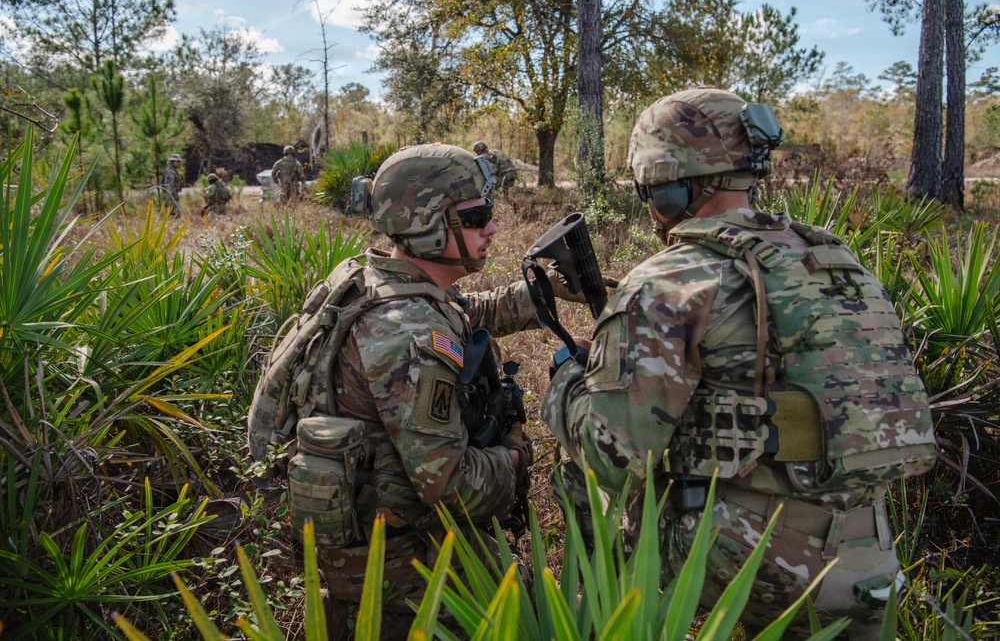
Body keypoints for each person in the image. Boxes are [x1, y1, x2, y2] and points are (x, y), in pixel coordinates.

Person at [542, 87, 937, 639]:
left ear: (667, 188)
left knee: (594, 489)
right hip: (870, 557)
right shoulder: (832, 257)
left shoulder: (671, 279)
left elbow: (610, 456)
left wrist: (565, 381)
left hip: (761, 564)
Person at [247, 143, 539, 638]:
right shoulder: (408, 335)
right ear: (427, 225)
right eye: (476, 217)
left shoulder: (378, 278)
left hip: (369, 534)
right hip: (396, 567)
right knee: (530, 603)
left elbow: (462, 312)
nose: (492, 228)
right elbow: (454, 488)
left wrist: (539, 296)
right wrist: (515, 456)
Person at [472, 141, 518, 209]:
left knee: (489, 189)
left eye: (477, 151)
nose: (477, 154)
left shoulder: (485, 155)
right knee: (505, 194)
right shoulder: (494, 152)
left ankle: (491, 208)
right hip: (511, 175)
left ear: (481, 150)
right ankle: (516, 207)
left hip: (505, 175)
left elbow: (494, 169)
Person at [163, 153, 183, 218]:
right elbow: (168, 186)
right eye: (176, 162)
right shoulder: (170, 172)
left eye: (179, 162)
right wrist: (172, 195)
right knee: (174, 214)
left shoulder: (174, 172)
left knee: (176, 214)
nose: (178, 163)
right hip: (170, 196)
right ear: (172, 162)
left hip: (173, 195)